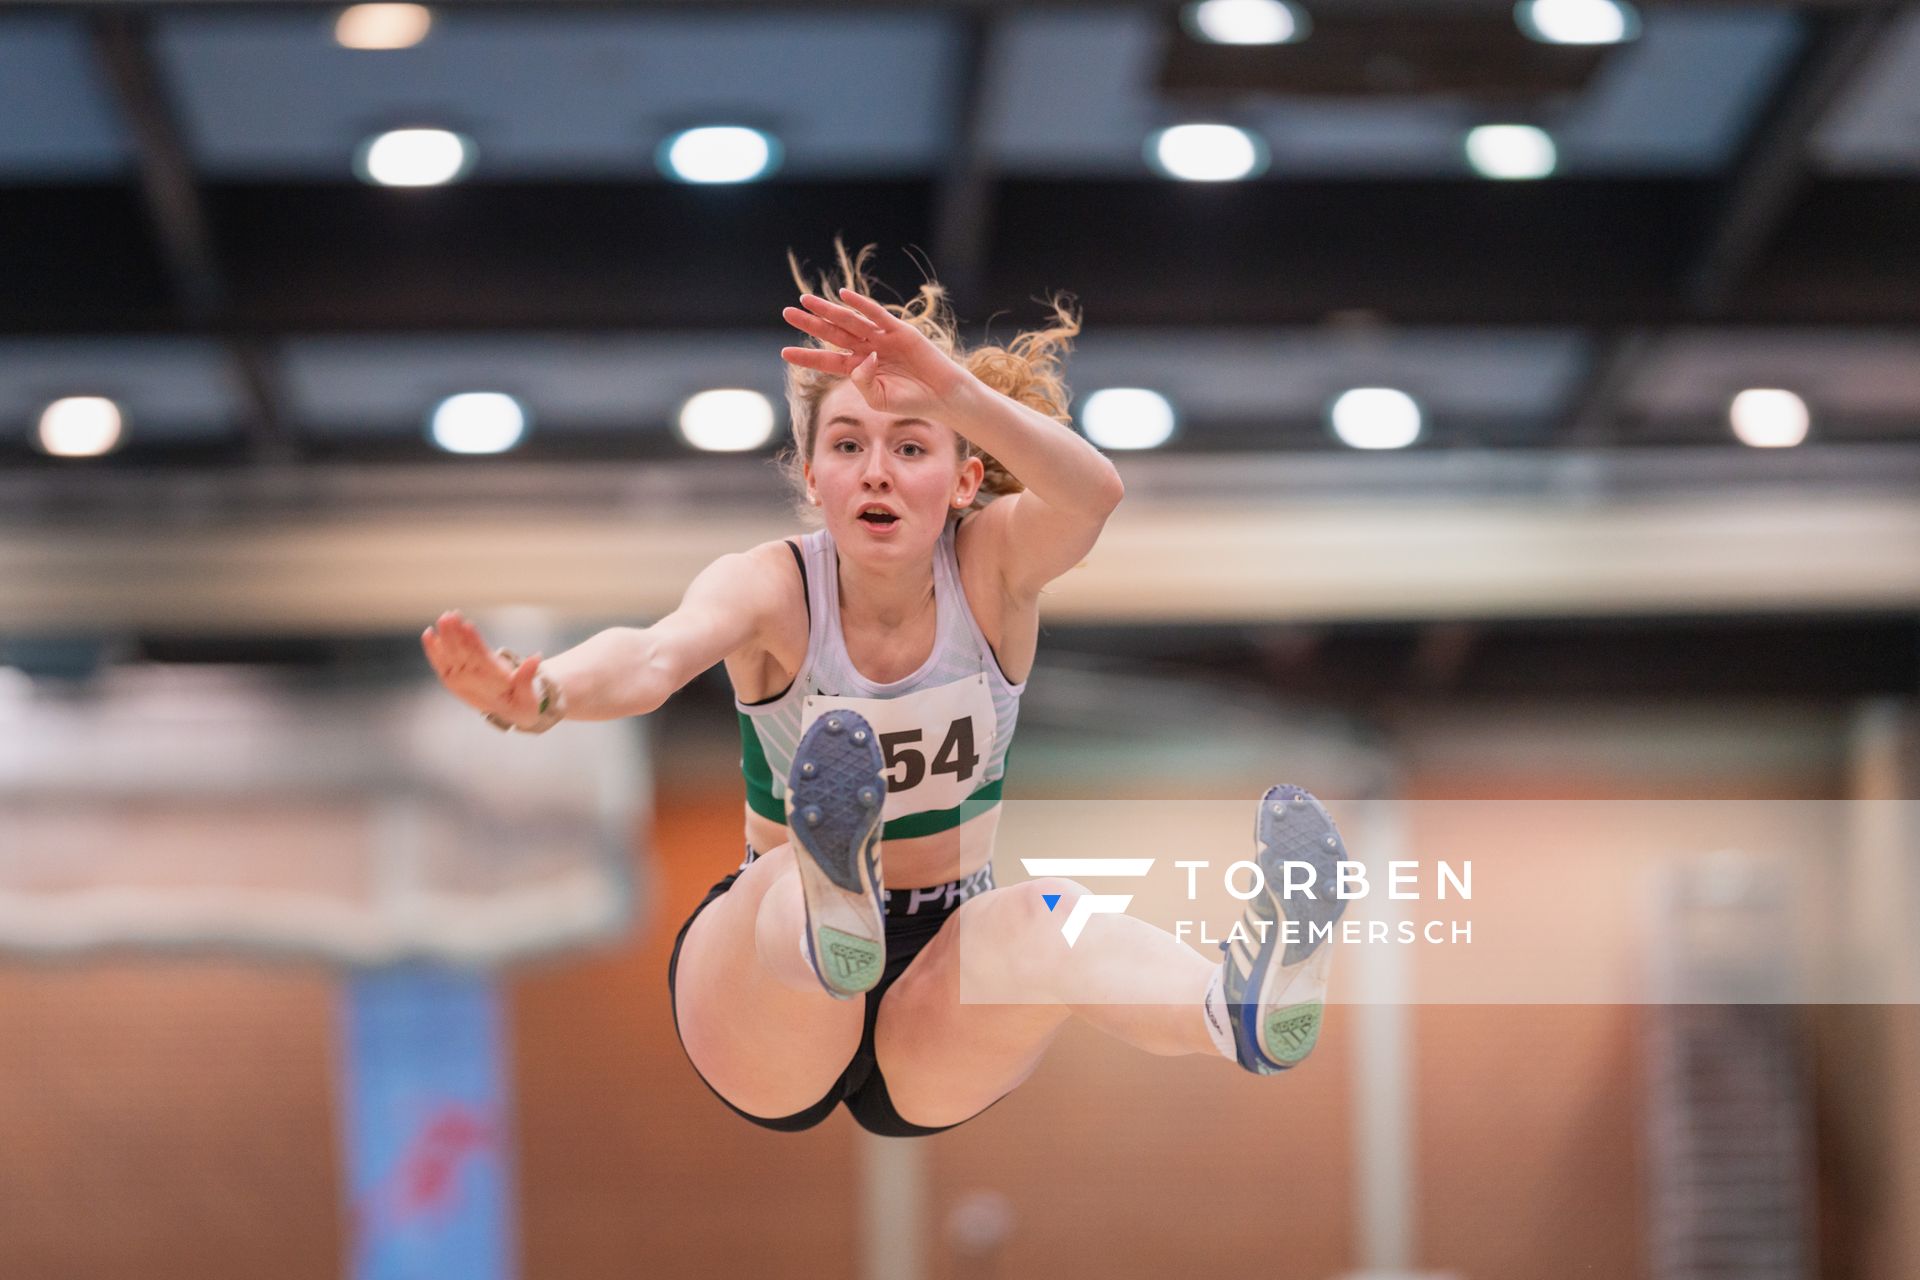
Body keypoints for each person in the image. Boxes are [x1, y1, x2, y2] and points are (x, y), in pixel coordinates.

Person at [421, 244, 1353, 1138]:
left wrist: (950, 388)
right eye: (847, 444)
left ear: (964, 479)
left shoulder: (992, 568)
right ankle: (835, 899)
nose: (876, 468)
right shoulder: (772, 586)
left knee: (1051, 913)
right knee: (789, 875)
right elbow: (654, 656)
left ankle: (1232, 1008)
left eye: (911, 447)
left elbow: (1093, 494)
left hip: (939, 970)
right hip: (764, 980)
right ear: (813, 477)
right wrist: (543, 694)